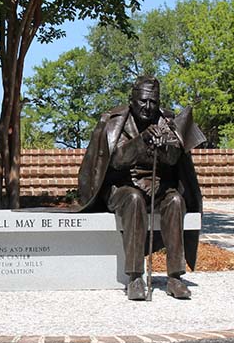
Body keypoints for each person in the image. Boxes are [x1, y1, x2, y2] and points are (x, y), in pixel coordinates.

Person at [77, 76, 203, 300]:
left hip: (159, 186)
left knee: (175, 201)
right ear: (132, 100)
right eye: (143, 101)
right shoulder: (115, 121)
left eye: (153, 102)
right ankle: (135, 276)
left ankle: (175, 277)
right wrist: (141, 140)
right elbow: (115, 160)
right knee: (134, 199)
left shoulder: (167, 121)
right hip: (123, 187)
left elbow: (176, 160)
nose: (148, 107)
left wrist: (166, 148)